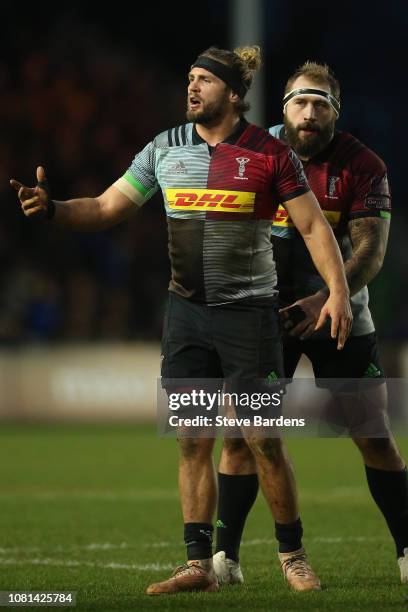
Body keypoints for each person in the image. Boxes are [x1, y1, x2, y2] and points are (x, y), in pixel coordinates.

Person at [11, 48, 352, 595]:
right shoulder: (163, 149)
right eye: (189, 80)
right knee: (193, 440)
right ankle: (198, 565)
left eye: (204, 81)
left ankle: (293, 555)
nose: (192, 88)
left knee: (262, 439)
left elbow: (313, 228)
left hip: (248, 318)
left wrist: (336, 292)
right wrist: (54, 209)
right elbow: (105, 208)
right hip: (187, 317)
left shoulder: (269, 153)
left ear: (234, 94)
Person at [213, 61, 408, 587]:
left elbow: (372, 249)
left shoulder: (363, 165)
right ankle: (224, 561)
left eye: (321, 103)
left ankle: (407, 549)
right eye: (300, 101)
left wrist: (327, 297)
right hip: (262, 318)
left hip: (339, 312)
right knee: (240, 436)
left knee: (373, 434)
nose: (310, 112)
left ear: (335, 114)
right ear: (283, 108)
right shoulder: (248, 153)